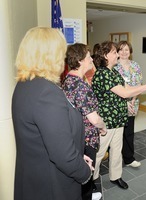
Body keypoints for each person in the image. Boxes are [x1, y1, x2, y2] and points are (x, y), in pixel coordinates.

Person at [12, 27, 93, 200]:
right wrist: (85, 172)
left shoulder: (25, 85)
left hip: (34, 180)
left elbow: (49, 139)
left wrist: (78, 155)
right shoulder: (46, 93)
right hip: (52, 185)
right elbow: (63, 155)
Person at [92, 41, 146, 190]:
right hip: (107, 121)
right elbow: (125, 93)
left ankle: (115, 176)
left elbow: (128, 88)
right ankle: (92, 180)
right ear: (105, 56)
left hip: (119, 118)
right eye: (114, 52)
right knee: (99, 153)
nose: (118, 54)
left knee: (116, 149)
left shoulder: (114, 71)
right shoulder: (102, 73)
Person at [62, 43, 107, 200]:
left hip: (75, 135)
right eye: (88, 57)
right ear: (80, 60)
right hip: (86, 138)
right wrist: (103, 127)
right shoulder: (81, 86)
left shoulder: (68, 79)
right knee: (87, 172)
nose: (92, 60)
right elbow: (94, 118)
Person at [115, 41, 142, 168]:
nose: (124, 52)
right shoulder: (114, 66)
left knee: (129, 132)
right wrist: (124, 101)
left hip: (133, 103)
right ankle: (114, 158)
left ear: (130, 51)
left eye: (126, 50)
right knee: (116, 133)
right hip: (117, 104)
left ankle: (129, 158)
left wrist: (132, 100)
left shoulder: (135, 66)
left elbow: (139, 85)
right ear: (117, 52)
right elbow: (114, 88)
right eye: (121, 49)